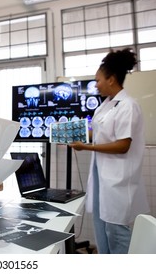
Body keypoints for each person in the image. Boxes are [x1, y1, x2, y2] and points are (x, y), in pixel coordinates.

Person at [69, 48, 150, 254]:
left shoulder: (128, 106)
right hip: (101, 177)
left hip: (118, 181)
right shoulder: (104, 106)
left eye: (98, 80)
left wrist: (86, 146)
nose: (95, 85)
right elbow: (97, 133)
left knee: (116, 232)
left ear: (111, 79)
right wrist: (73, 136)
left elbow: (123, 145)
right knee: (101, 228)